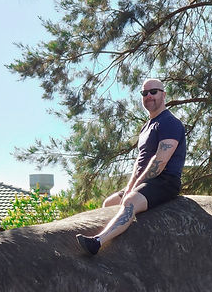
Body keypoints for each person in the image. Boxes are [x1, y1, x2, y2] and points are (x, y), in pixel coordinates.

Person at [76, 78, 186, 255]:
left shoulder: (170, 123)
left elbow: (160, 161)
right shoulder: (146, 127)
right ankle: (115, 240)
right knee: (110, 202)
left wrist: (133, 190)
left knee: (130, 201)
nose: (148, 96)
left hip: (165, 180)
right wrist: (129, 187)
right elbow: (139, 162)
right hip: (145, 181)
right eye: (144, 93)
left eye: (153, 92)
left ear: (164, 95)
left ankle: (97, 242)